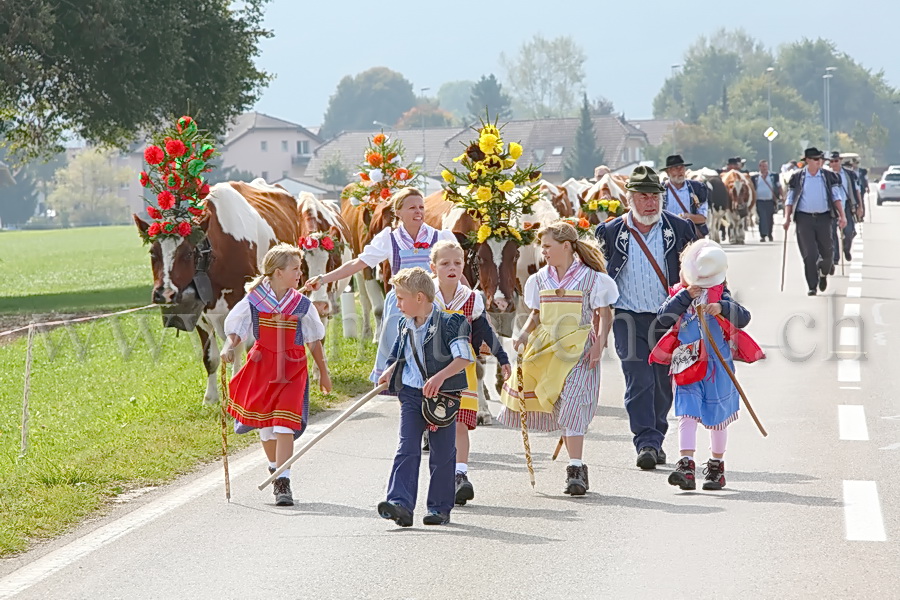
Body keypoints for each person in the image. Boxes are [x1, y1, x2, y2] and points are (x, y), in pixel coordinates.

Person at [499, 221, 618, 495]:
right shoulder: (539, 279)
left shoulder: (593, 278)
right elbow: (536, 314)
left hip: (579, 348)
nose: (544, 252)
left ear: (566, 246)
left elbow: (604, 313)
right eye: (542, 246)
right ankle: (574, 463)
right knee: (557, 403)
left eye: (548, 246)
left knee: (574, 404)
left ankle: (575, 468)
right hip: (547, 349)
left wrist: (599, 345)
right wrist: (523, 334)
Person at [595, 165, 696, 470]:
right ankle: (646, 442)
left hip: (667, 317)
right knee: (638, 378)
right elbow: (597, 276)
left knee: (663, 383)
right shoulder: (611, 232)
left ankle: (656, 437)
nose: (650, 202)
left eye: (654, 196)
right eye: (642, 196)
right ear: (630, 198)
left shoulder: (679, 228)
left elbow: (697, 268)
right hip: (627, 316)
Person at [220, 243, 332, 506]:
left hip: (292, 367)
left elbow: (314, 341)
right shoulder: (254, 300)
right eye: (295, 269)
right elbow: (238, 329)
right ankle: (274, 467)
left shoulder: (302, 304)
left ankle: (283, 482)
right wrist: (228, 347)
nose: (300, 274)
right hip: (263, 366)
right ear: (278, 272)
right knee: (267, 428)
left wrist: (323, 373)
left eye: (300, 269)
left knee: (284, 425)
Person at [306, 187, 455, 384]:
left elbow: (456, 273)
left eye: (421, 207)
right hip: (401, 309)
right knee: (402, 369)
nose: (418, 211)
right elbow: (358, 263)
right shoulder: (389, 239)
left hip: (432, 305)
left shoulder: (440, 237)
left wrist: (469, 299)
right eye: (412, 207)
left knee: (434, 362)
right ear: (398, 212)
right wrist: (324, 278)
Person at [376, 267, 474, 526]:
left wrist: (440, 377)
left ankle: (439, 508)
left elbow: (464, 357)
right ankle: (400, 504)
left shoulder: (451, 322)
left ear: (419, 298)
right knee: (406, 448)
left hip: (442, 397)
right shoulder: (403, 323)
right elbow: (400, 353)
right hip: (411, 394)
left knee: (442, 453)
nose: (397, 304)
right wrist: (388, 370)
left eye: (400, 298)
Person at [652, 240, 753, 491]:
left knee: (718, 417)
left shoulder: (721, 293)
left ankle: (716, 464)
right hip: (687, 362)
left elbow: (744, 317)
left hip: (717, 366)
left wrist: (722, 307)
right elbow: (663, 317)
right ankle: (686, 463)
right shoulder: (679, 293)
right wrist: (685, 296)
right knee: (686, 411)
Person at [429, 240, 511, 505]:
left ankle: (460, 474)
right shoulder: (427, 295)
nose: (452, 268)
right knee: (439, 425)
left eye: (457, 263)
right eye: (445, 263)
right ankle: (442, 475)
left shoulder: (471, 298)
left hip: (462, 371)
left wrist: (502, 357)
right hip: (432, 371)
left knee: (460, 424)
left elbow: (485, 331)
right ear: (434, 267)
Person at [783, 148, 847, 296]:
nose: (819, 162)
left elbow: (836, 197)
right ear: (807, 161)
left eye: (820, 159)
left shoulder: (828, 176)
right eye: (815, 159)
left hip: (824, 218)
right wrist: (786, 217)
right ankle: (812, 285)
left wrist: (842, 216)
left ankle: (823, 273)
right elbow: (790, 198)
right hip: (804, 219)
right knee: (809, 254)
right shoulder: (797, 177)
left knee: (828, 253)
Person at [660, 154, 709, 238]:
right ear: (668, 172)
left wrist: (688, 217)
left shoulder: (697, 189)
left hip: (690, 235)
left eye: (682, 168)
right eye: (676, 168)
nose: (680, 171)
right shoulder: (659, 191)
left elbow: (702, 218)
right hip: (667, 236)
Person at [826, 151, 862, 262]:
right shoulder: (826, 174)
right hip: (831, 207)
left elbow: (857, 190)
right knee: (832, 233)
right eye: (832, 161)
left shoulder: (849, 174)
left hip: (846, 205)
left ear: (840, 161)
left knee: (849, 231)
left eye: (836, 160)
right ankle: (835, 257)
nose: (834, 163)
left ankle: (846, 249)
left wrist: (860, 206)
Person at [750, 160, 782, 242]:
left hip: (770, 201)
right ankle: (763, 235)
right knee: (762, 217)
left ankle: (770, 233)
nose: (764, 168)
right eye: (763, 166)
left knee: (769, 218)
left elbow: (778, 186)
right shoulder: (755, 178)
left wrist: (782, 196)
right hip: (759, 201)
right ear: (759, 167)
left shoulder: (773, 176)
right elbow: (752, 189)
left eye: (766, 166)